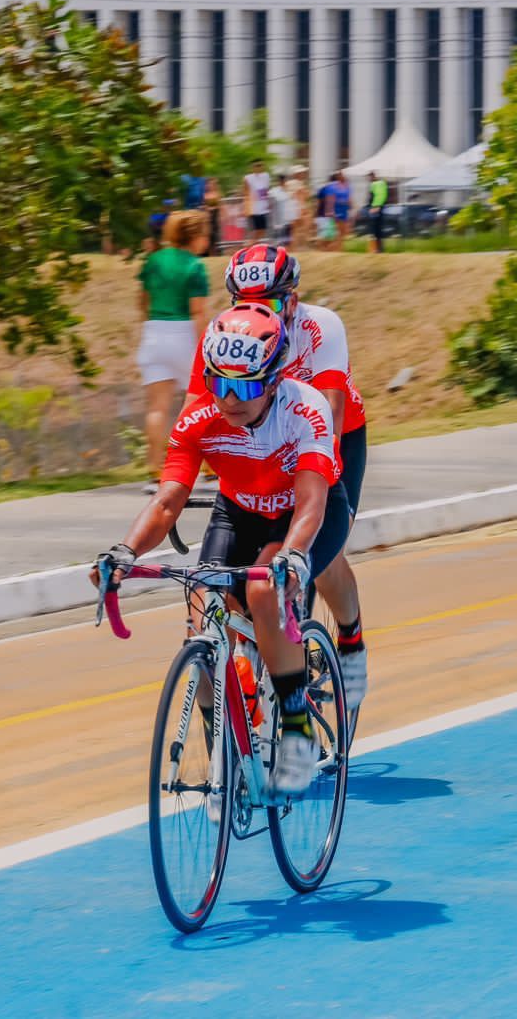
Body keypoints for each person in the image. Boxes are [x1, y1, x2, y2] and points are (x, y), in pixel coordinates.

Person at [94, 304, 349, 793]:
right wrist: (124, 552)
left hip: (303, 512)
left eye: (246, 386)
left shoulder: (306, 409)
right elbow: (169, 500)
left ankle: (295, 724)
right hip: (240, 511)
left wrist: (293, 556)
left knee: (261, 593)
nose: (230, 399)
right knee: (200, 607)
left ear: (274, 379)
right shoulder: (200, 417)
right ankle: (224, 756)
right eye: (219, 383)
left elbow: (312, 502)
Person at [186, 244, 370, 708]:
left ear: (291, 298)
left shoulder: (319, 325)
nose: (250, 311)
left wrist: (304, 491)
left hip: (329, 434)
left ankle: (349, 640)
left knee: (316, 556)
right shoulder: (228, 336)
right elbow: (197, 413)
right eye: (239, 301)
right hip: (265, 439)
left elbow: (328, 409)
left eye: (266, 303)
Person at [136, 211, 212, 487]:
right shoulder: (195, 266)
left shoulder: (153, 261)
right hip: (183, 334)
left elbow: (142, 300)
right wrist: (204, 346)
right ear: (194, 236)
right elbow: (198, 311)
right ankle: (204, 465)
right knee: (202, 402)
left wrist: (151, 324)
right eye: (205, 234)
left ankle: (155, 470)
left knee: (157, 407)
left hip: (154, 333)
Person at [314, 171, 351, 249]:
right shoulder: (336, 188)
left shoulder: (324, 188)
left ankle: (324, 250)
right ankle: (332, 249)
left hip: (324, 214)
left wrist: (316, 214)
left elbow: (319, 203)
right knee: (333, 234)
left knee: (328, 234)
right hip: (330, 213)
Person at [243, 160, 271, 240]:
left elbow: (266, 190)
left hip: (263, 207)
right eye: (256, 166)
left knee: (263, 230)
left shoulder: (266, 176)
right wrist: (246, 207)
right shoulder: (248, 178)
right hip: (254, 208)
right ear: (252, 167)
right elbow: (245, 193)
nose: (259, 167)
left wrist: (268, 202)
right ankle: (250, 246)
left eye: (260, 165)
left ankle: (253, 245)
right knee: (256, 230)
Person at [268, 173, 295, 247]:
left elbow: (291, 205)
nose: (284, 182)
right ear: (279, 181)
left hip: (287, 220)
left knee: (287, 242)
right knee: (278, 242)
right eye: (282, 180)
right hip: (278, 221)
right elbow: (270, 205)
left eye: (285, 180)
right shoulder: (273, 192)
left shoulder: (290, 191)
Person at [367, 171, 388, 253]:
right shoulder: (383, 183)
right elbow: (385, 196)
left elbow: (371, 197)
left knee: (373, 230)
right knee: (380, 229)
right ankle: (380, 249)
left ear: (372, 177)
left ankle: (374, 249)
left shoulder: (373, 184)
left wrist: (371, 206)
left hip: (374, 208)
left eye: (369, 177)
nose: (369, 179)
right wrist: (381, 206)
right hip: (381, 207)